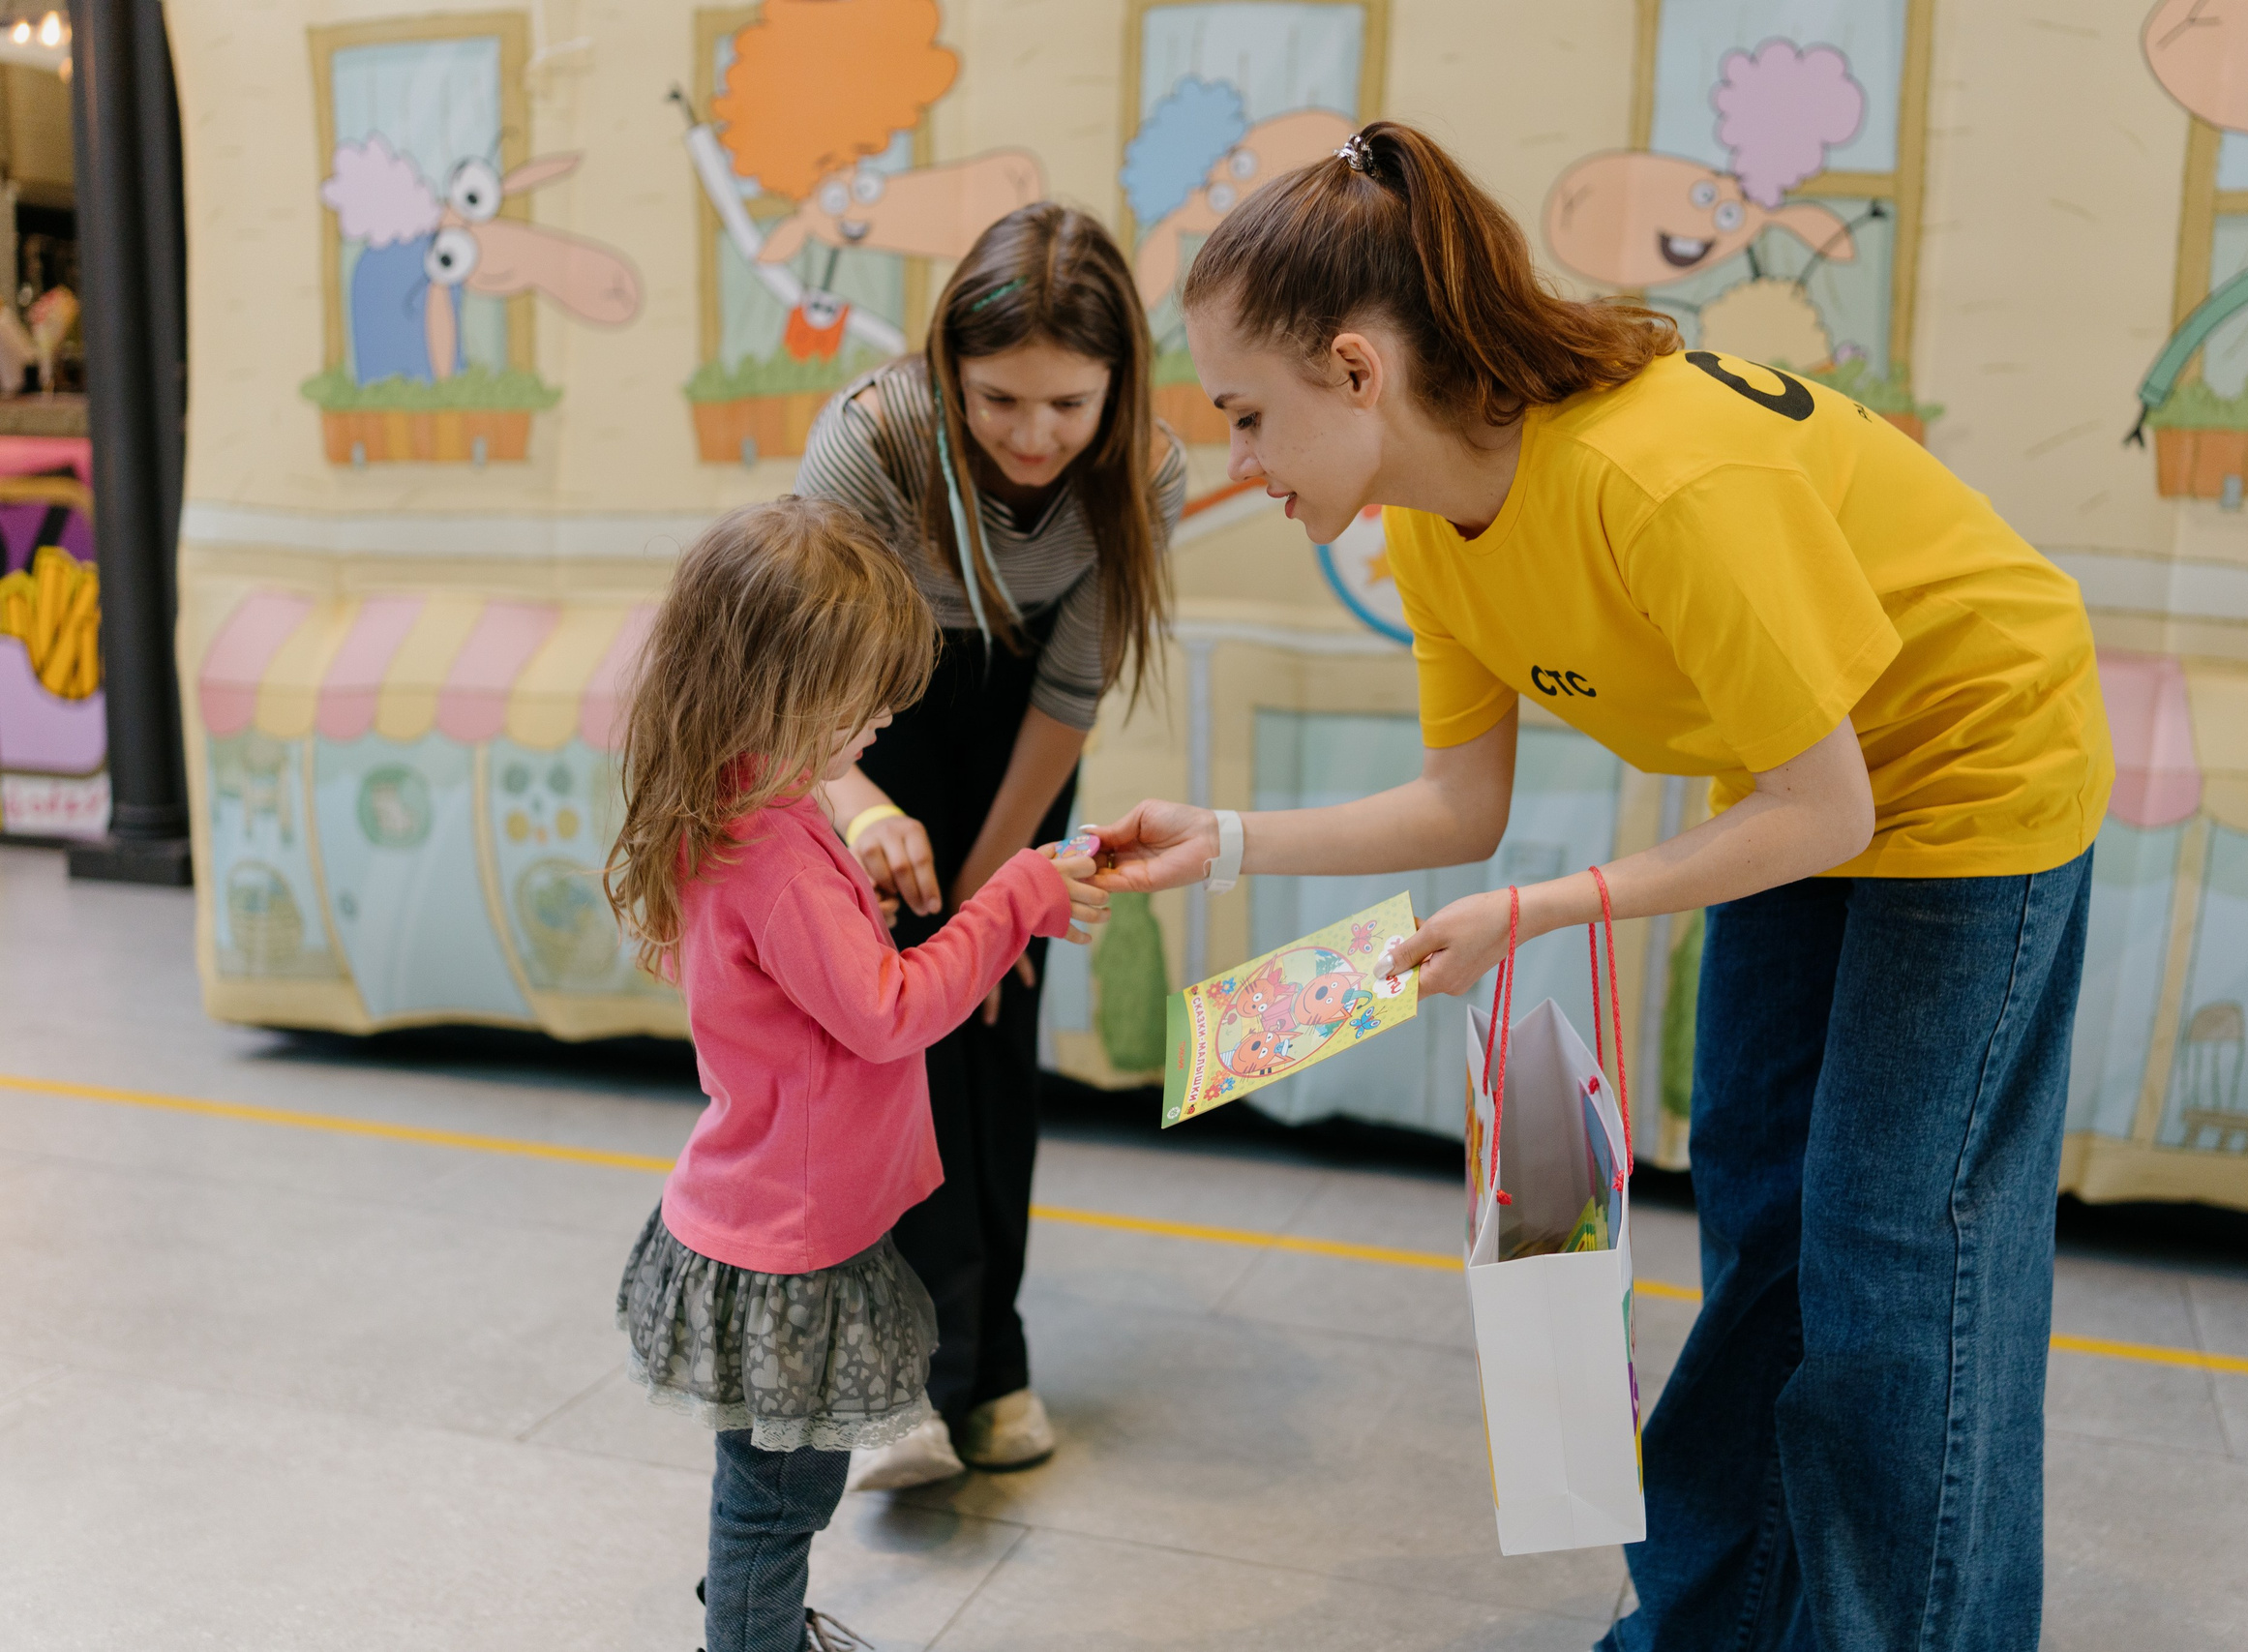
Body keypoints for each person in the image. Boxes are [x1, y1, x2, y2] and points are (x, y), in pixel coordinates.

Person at [1091, 123, 2112, 1652]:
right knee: (1770, 1220)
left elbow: (1830, 807)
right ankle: (1712, 1621)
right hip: (1795, 797)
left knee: (1899, 1253)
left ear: (1359, 371)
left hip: (1972, 770)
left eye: (1246, 416)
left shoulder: (1657, 480)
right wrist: (1223, 839)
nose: (1235, 464)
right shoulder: (1435, 528)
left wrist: (1549, 911)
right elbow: (1462, 804)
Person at [603, 496, 1107, 1652]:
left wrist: (859, 920)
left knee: (771, 1488)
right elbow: (889, 1020)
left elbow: (808, 989)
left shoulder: (739, 796)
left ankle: (749, 1614)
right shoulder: (776, 851)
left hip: (769, 1213)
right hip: (787, 1242)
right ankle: (750, 1636)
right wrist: (1015, 899)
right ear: (774, 691)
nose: (883, 718)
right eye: (858, 701)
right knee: (778, 1501)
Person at [796, 202, 1184, 1488]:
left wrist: (987, 899)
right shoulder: (871, 439)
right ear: (945, 370)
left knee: (990, 1027)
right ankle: (895, 1381)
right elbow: (794, 684)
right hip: (864, 718)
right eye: (998, 399)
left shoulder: (1146, 472)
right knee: (876, 1046)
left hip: (1017, 737)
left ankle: (991, 1362)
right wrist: (856, 805)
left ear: (1119, 383)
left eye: (1068, 404)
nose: (1032, 436)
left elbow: (1069, 694)